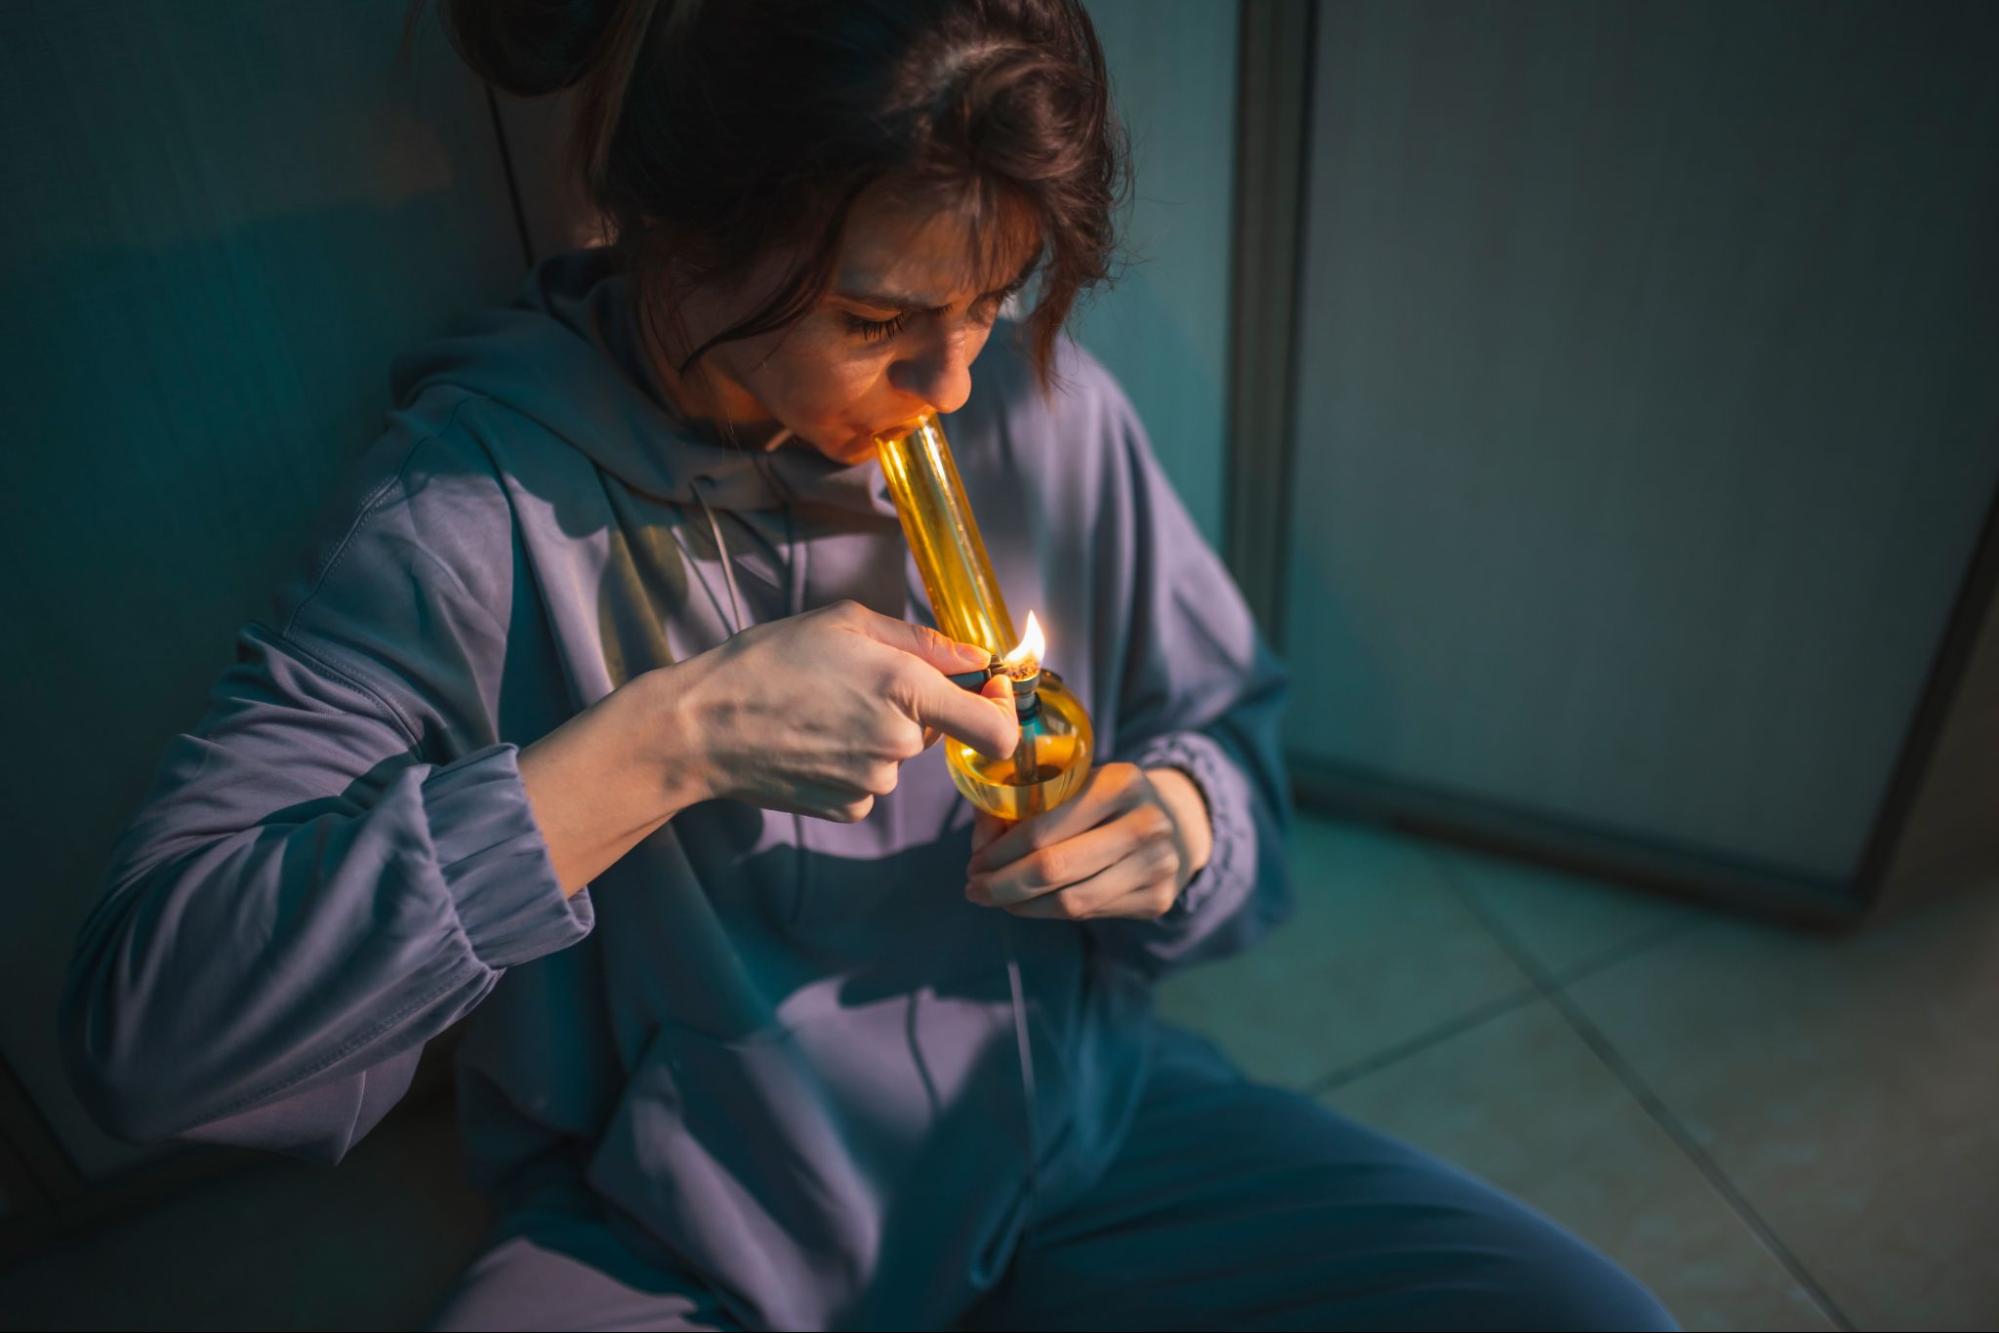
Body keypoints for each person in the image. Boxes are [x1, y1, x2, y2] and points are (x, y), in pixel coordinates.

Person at [59, 1, 1678, 1328]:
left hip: (1088, 1142)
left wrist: (1182, 823)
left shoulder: (1043, 413)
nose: (953, 376)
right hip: (694, 1247)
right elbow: (150, 1038)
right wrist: (662, 742)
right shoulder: (474, 512)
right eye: (881, 315)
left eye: (996, 298)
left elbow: (1230, 750)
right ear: (675, 242)